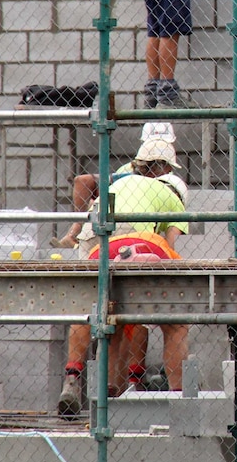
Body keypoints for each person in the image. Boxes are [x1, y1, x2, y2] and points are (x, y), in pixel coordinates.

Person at [58, 139, 189, 418]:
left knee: (96, 309)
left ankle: (78, 379)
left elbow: (86, 212)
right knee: (173, 325)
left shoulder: (116, 183)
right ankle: (179, 403)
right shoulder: (173, 197)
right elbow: (169, 247)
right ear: (166, 170)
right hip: (138, 241)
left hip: (97, 241)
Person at [51, 122, 179, 249]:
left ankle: (75, 235)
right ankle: (74, 233)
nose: (157, 148)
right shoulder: (128, 171)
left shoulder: (170, 180)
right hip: (120, 216)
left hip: (137, 221)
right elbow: (87, 184)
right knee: (95, 203)